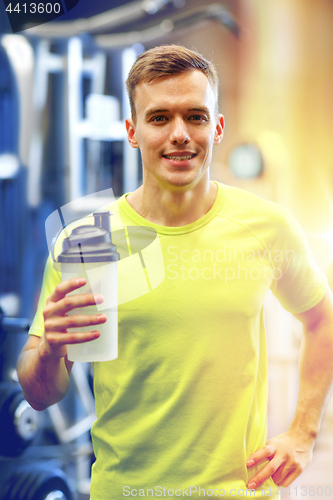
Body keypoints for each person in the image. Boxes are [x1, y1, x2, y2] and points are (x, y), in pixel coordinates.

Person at [17, 45, 333, 500]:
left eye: (196, 117)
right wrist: (50, 350)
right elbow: (40, 395)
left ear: (218, 127)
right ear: (132, 131)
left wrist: (303, 433)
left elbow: (322, 320)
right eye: (160, 118)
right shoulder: (89, 241)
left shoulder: (266, 227)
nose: (180, 134)